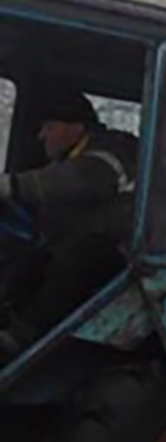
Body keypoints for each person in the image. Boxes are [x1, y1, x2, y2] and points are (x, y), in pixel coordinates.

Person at [0, 89, 138, 359]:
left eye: (49, 127)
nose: (41, 136)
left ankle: (21, 338)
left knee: (76, 256)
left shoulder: (110, 154)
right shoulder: (71, 156)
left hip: (123, 258)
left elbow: (78, 180)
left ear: (75, 127)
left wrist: (10, 185)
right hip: (90, 246)